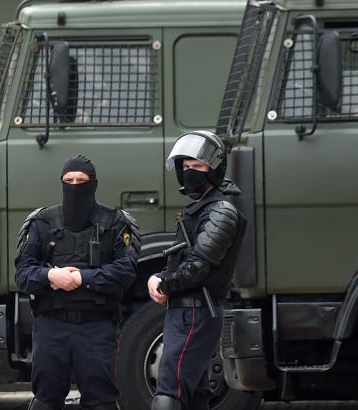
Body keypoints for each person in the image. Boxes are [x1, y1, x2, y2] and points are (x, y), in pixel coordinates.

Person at [15, 155, 140, 410]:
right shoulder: (42, 222)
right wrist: (51, 276)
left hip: (96, 327)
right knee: (45, 401)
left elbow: (125, 272)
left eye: (81, 180)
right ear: (61, 182)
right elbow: (23, 274)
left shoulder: (115, 222)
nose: (75, 185)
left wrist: (82, 278)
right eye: (69, 180)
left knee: (102, 401)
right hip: (52, 326)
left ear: (93, 183)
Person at [147, 131, 244, 410]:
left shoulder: (220, 211)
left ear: (213, 169)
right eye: (186, 167)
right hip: (187, 310)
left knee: (170, 390)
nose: (190, 172)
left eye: (198, 167)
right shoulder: (204, 209)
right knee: (194, 392)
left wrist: (162, 283)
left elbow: (197, 267)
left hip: (195, 311)